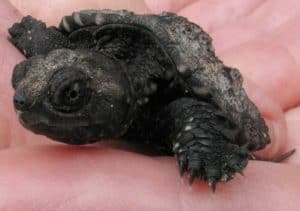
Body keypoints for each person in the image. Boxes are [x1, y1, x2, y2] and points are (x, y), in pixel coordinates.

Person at [0, 0, 299, 210]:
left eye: (71, 95)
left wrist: (205, 148)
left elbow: (194, 110)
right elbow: (45, 47)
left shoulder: (168, 106)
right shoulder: (62, 49)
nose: (22, 102)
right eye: (21, 78)